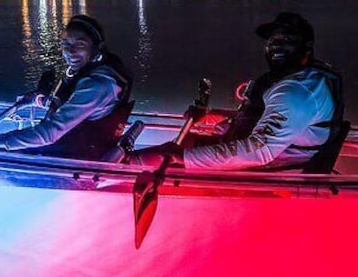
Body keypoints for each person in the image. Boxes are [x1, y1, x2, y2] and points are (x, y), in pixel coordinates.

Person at [130, 12, 344, 171]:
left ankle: (111, 180)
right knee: (188, 140)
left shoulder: (297, 91)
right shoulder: (300, 79)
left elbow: (259, 150)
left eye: (287, 41)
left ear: (306, 47)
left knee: (159, 158)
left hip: (271, 173)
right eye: (273, 40)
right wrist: (211, 116)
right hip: (265, 158)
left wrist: (184, 158)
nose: (277, 46)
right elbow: (258, 118)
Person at [0, 14, 133, 160]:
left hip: (74, 155)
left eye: (80, 44)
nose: (70, 52)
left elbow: (49, 133)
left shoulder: (98, 84)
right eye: (65, 44)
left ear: (97, 47)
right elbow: (73, 105)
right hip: (77, 142)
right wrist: (40, 100)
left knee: (1, 148)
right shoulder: (91, 70)